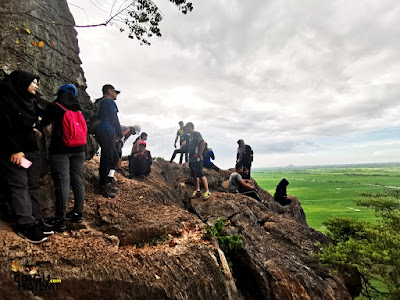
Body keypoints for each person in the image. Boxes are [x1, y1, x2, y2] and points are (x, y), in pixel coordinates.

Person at [0, 70, 49, 243]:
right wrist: (14, 149)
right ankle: (25, 225)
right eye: (33, 82)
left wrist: (34, 128)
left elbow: (27, 123)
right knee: (19, 184)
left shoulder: (29, 102)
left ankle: (36, 220)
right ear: (22, 83)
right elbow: (4, 127)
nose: (36, 86)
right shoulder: (6, 100)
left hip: (30, 152)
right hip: (14, 153)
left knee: (31, 184)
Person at [41, 84, 86, 231]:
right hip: (79, 149)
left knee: (62, 183)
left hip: (60, 150)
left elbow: (43, 123)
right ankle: (77, 213)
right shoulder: (78, 108)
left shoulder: (55, 106)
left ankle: (59, 220)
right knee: (78, 180)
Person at [93, 84, 123, 198]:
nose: (116, 94)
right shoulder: (110, 102)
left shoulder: (99, 102)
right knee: (107, 157)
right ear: (109, 91)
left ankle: (109, 179)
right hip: (107, 130)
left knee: (114, 156)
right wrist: (120, 135)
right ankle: (103, 185)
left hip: (99, 130)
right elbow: (115, 119)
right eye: (115, 92)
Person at [185, 122, 210, 199]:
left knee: (200, 174)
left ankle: (207, 192)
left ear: (190, 127)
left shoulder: (197, 134)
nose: (186, 129)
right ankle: (198, 190)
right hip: (192, 159)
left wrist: (199, 153)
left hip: (197, 159)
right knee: (194, 175)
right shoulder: (191, 136)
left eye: (186, 128)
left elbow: (203, 142)